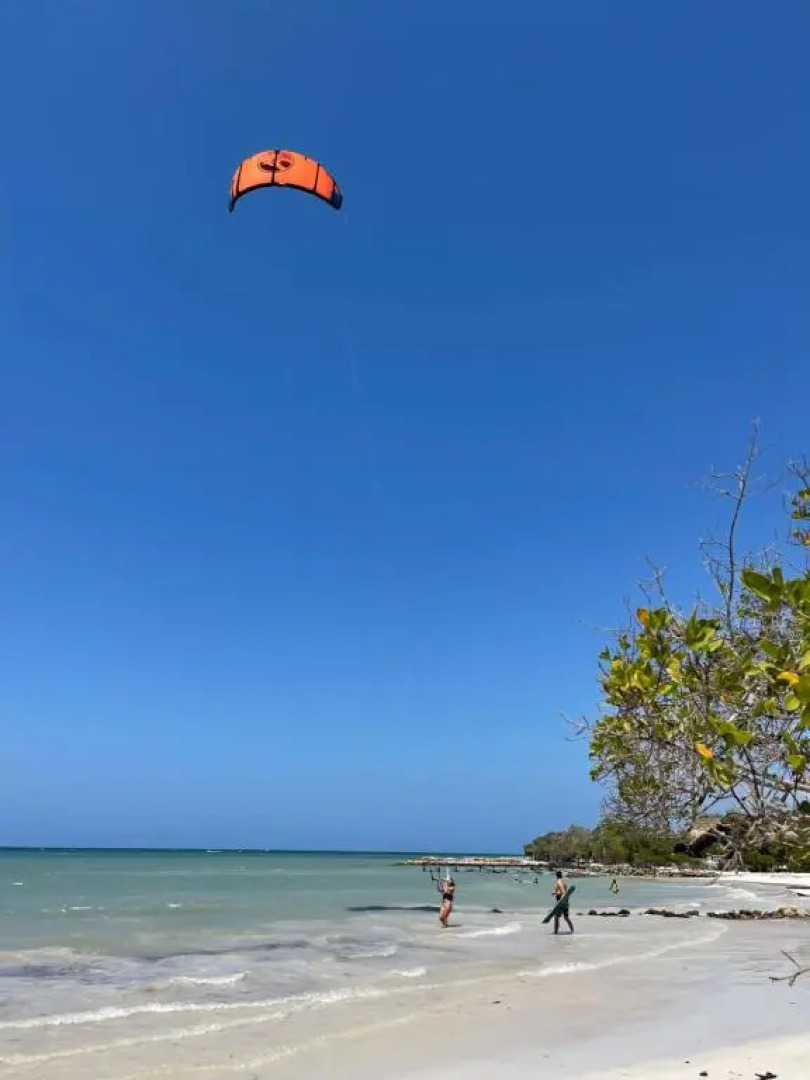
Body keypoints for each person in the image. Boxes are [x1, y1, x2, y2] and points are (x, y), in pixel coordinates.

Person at [552, 870, 574, 934]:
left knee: (556, 917)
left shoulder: (558, 882)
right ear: (561, 875)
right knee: (566, 917)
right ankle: (572, 930)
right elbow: (566, 891)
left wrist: (554, 893)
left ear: (556, 876)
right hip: (566, 901)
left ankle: (555, 932)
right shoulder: (564, 882)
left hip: (560, 901)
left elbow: (560, 891)